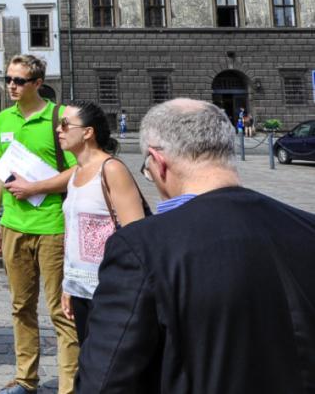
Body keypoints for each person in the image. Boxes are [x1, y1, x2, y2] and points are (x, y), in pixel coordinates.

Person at [77, 98, 315, 393]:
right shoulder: (307, 225)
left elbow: (104, 381)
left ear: (159, 162)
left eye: (147, 170)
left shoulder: (141, 247)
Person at [0, 55, 79, 394]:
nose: (11, 85)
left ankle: (68, 386)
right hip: (14, 226)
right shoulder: (2, 119)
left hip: (52, 226)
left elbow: (77, 171)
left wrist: (35, 188)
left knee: (60, 310)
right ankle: (26, 379)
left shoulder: (60, 118)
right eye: (8, 78)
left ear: (38, 83)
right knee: (21, 307)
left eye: (19, 80)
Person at [55, 101, 146, 345]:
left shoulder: (111, 169)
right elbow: (72, 234)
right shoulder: (75, 173)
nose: (58, 129)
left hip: (111, 291)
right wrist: (69, 285)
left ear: (88, 132)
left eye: (65, 124)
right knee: (89, 358)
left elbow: (136, 235)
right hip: (80, 289)